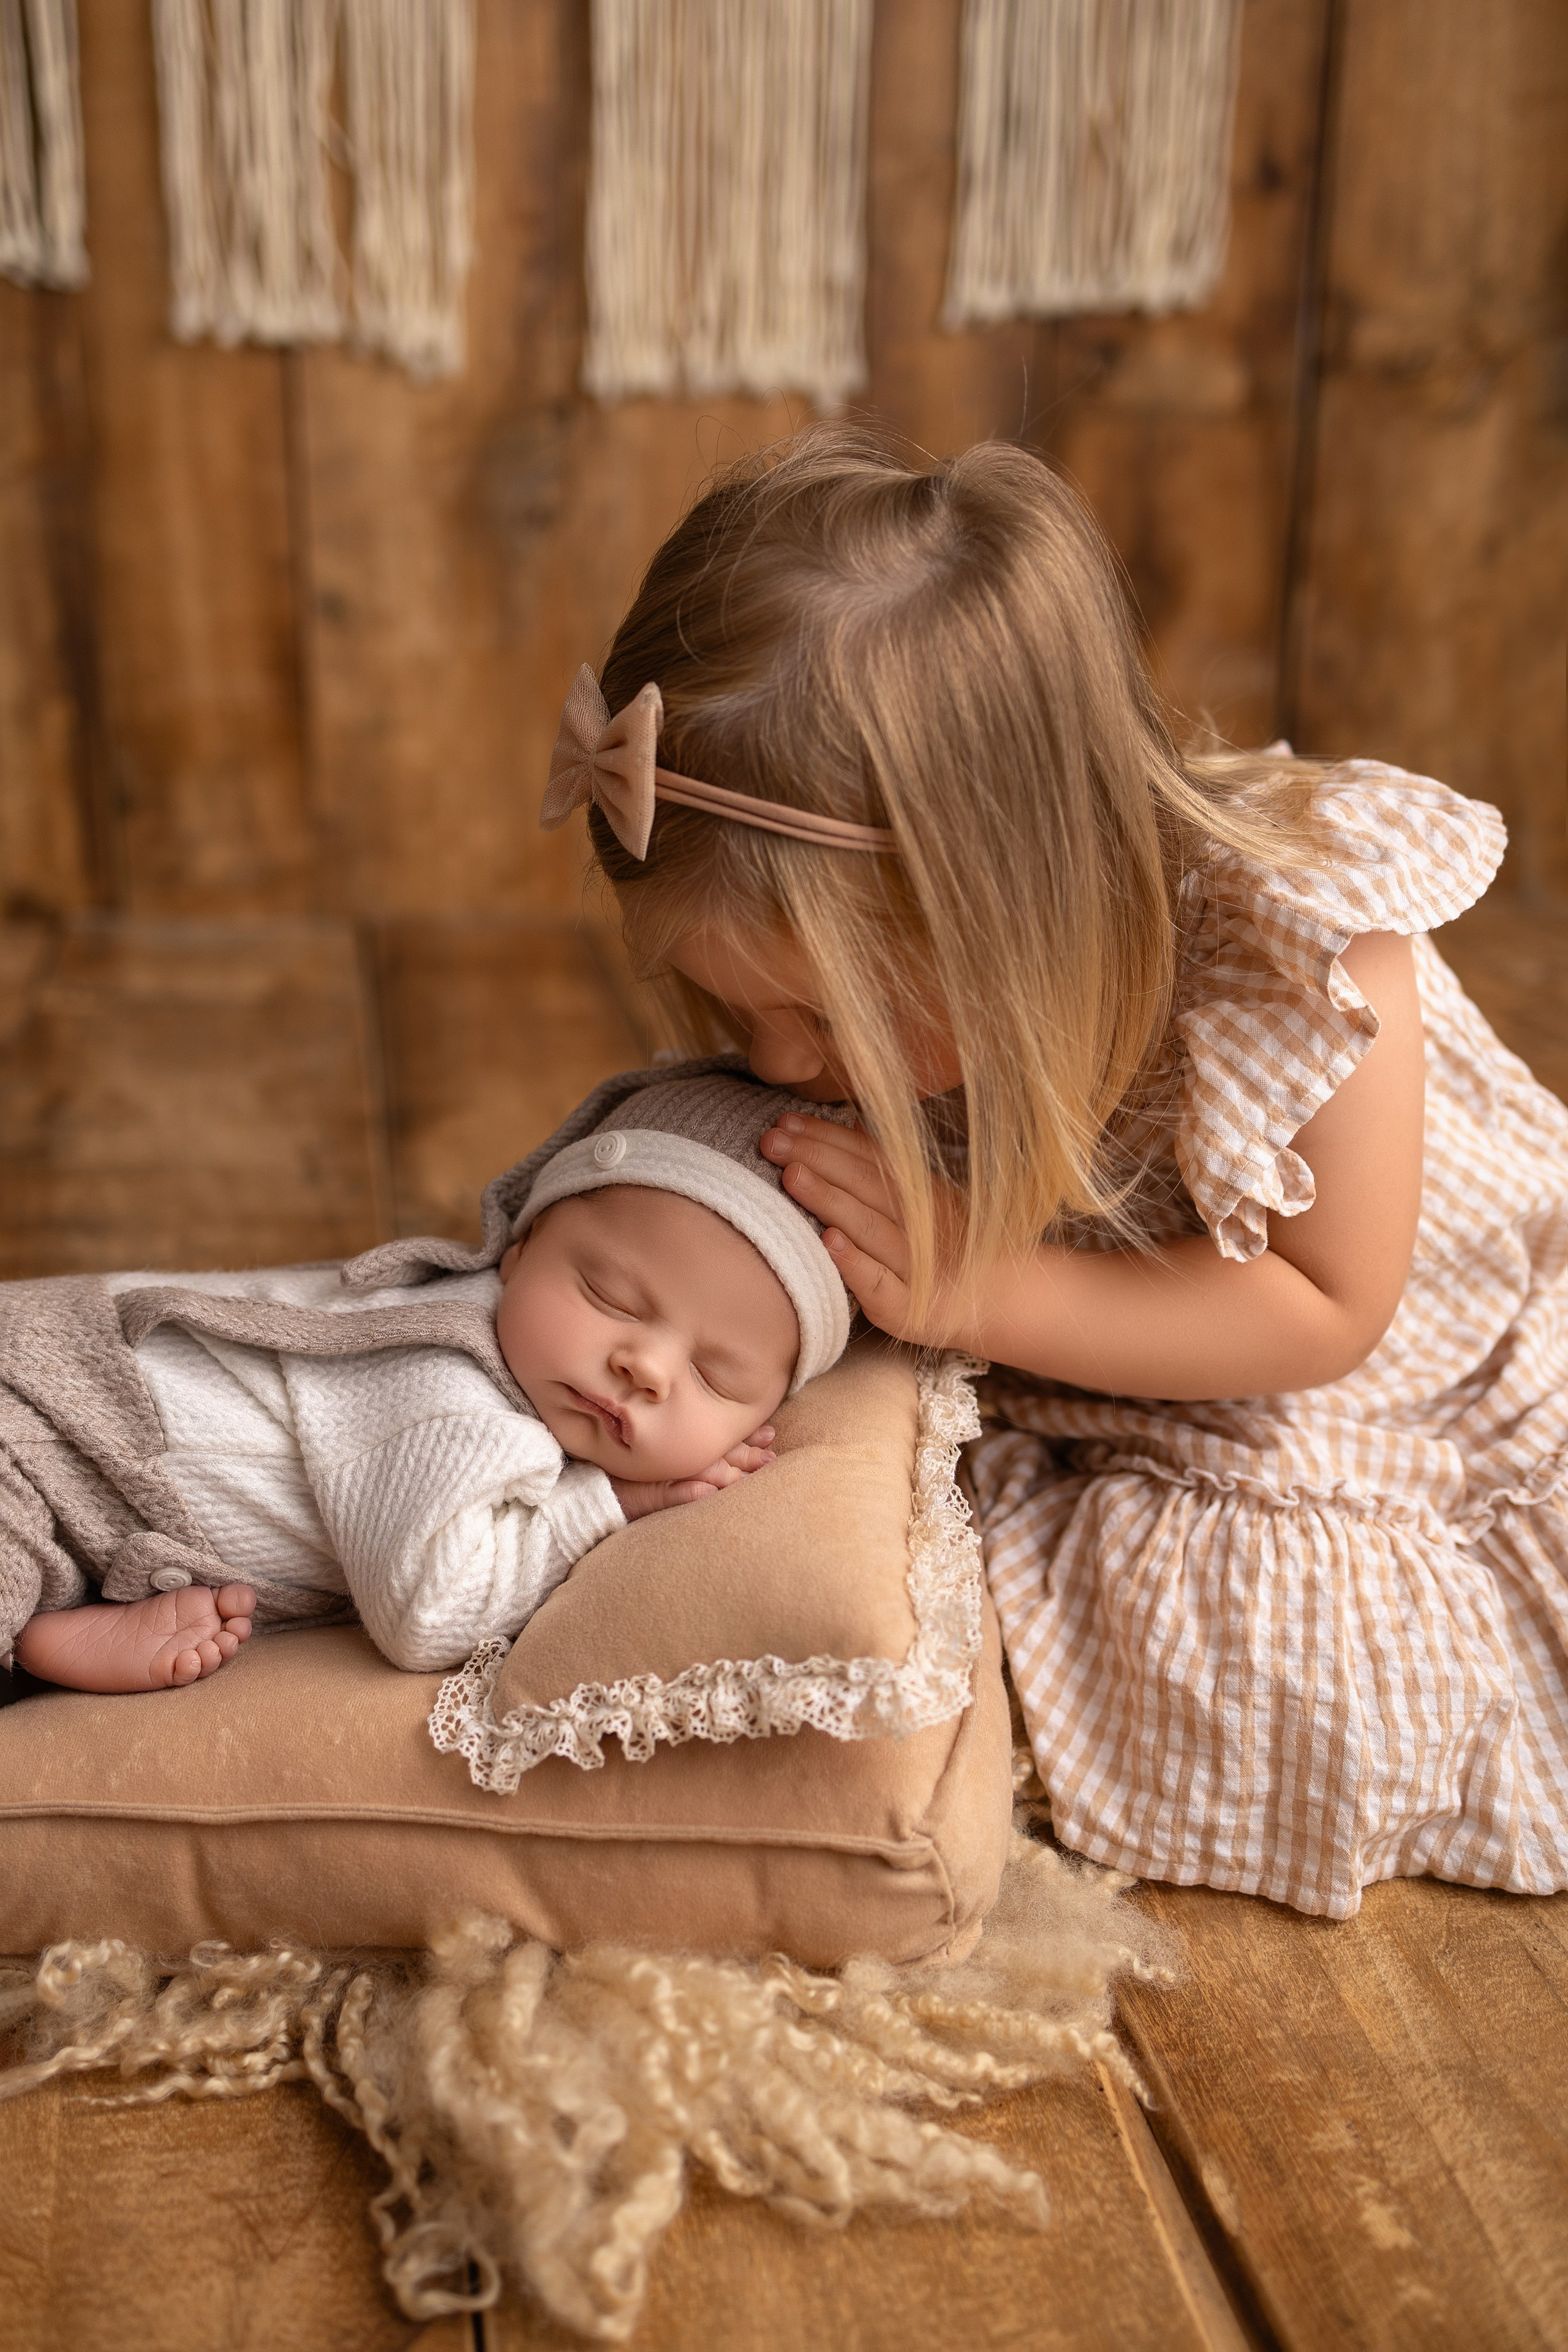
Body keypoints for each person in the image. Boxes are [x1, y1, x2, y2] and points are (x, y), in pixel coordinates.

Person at [555, 420, 1568, 1920]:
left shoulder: (1305, 939)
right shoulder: (868, 1038)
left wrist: (983, 1284)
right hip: (1076, 1320)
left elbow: (1324, 1312)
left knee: (1243, 1665)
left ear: (1009, 911)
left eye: (810, 1017)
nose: (769, 1061)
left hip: (1367, 1383)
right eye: (732, 1013)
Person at [7, 1072, 854, 1694]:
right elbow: (426, 1613)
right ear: (518, 1252)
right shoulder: (447, 1378)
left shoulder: (537, 1380)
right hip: (37, 1422)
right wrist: (608, 1508)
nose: (647, 1366)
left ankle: (42, 1635)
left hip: (89, 1506)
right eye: (608, 1295)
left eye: (716, 1374)